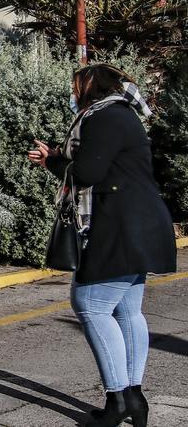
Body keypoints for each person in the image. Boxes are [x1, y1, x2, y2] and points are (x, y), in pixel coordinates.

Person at [27, 64, 176, 427]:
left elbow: (88, 172)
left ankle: (118, 397)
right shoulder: (121, 114)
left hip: (119, 225)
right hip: (137, 222)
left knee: (90, 304)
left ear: (90, 87)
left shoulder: (104, 116)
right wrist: (57, 161)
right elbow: (96, 167)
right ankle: (133, 398)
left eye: (76, 86)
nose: (73, 92)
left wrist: (56, 160)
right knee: (127, 310)